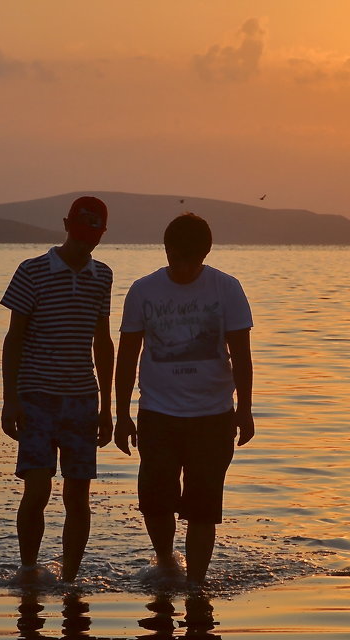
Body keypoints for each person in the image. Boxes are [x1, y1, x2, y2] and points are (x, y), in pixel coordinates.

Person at [114, 213, 254, 585]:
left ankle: (196, 584)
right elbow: (127, 355)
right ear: (166, 250)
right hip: (158, 413)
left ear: (204, 255)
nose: (181, 269)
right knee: (155, 501)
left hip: (213, 415)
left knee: (203, 508)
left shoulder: (227, 289)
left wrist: (245, 409)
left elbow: (241, 353)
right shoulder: (144, 290)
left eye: (190, 262)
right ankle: (165, 561)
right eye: (175, 259)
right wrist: (121, 414)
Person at [0, 196, 114, 583]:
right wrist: (10, 399)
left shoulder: (103, 276)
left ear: (102, 234)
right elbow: (14, 338)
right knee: (37, 489)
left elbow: (103, 342)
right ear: (66, 225)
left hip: (83, 398)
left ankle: (70, 580)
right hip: (36, 397)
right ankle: (29, 570)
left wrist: (107, 408)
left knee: (78, 497)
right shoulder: (32, 271)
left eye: (93, 234)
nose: (86, 242)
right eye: (81, 233)